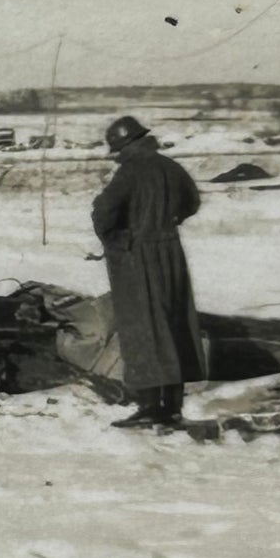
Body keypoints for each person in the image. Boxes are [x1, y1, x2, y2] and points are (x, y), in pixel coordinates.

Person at [91, 116, 204, 428]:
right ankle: (173, 407)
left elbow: (103, 213)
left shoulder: (128, 172)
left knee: (144, 329)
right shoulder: (171, 167)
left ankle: (150, 407)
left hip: (138, 258)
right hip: (171, 253)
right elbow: (192, 202)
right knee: (174, 324)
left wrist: (117, 239)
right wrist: (167, 222)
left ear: (123, 146)